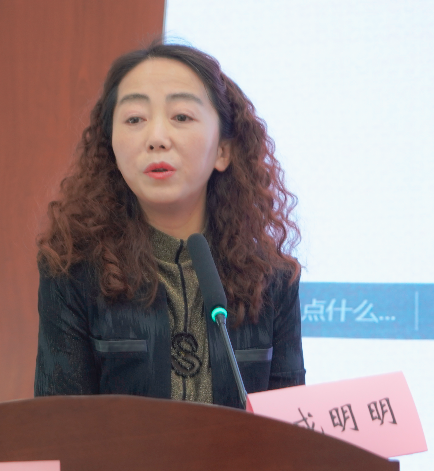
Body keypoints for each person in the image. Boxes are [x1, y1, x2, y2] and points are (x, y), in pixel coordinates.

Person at [34, 42, 304, 407]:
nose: (157, 139)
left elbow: (291, 425)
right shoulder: (74, 273)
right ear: (110, 146)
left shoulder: (272, 278)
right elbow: (59, 423)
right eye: (134, 119)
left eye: (181, 117)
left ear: (223, 150)